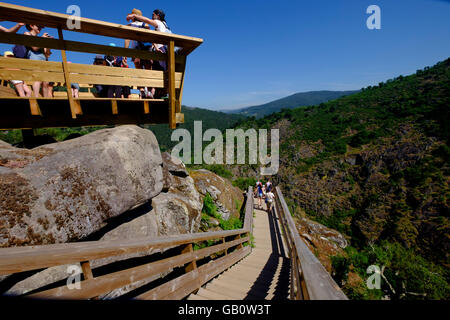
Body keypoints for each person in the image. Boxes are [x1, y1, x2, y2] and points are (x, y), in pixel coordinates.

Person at [126, 9, 172, 98]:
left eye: (153, 14)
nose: (152, 15)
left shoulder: (158, 22)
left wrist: (134, 16)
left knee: (159, 71)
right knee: (159, 71)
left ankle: (160, 93)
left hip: (160, 49)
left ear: (158, 16)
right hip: (161, 50)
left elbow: (147, 20)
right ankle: (158, 93)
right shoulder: (165, 25)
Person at [24, 24, 52, 97]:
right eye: (38, 26)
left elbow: (47, 54)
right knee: (38, 79)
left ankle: (45, 99)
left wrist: (48, 44)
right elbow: (34, 48)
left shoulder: (40, 39)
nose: (40, 28)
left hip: (44, 60)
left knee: (46, 82)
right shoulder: (27, 33)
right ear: (31, 26)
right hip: (34, 59)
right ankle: (36, 98)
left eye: (41, 27)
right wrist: (42, 39)